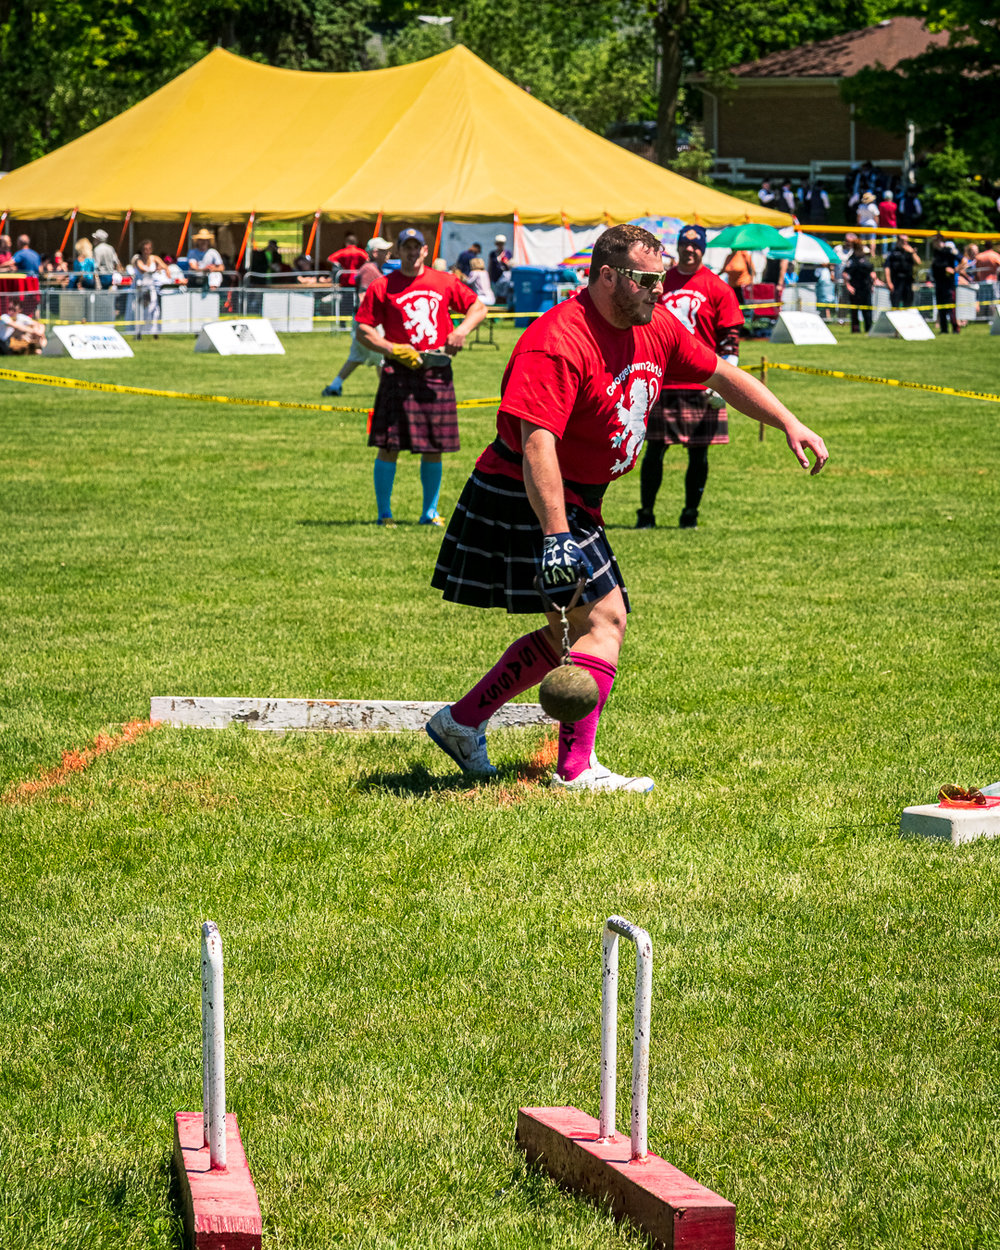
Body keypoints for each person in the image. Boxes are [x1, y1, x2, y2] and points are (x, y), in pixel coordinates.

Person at [424, 224, 827, 792]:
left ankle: (461, 722)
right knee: (604, 621)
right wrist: (556, 535)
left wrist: (789, 421)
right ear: (608, 276)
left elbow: (721, 373)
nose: (658, 291)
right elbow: (537, 443)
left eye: (661, 279)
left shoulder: (654, 324)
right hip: (528, 489)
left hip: (576, 496)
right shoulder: (556, 340)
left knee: (570, 631)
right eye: (645, 280)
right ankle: (574, 768)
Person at [354, 227, 487, 526]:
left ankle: (429, 513)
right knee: (388, 444)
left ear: (425, 250)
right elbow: (363, 328)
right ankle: (384, 514)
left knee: (434, 445)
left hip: (435, 370)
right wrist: (391, 348)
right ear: (397, 251)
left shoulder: (444, 281)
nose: (412, 253)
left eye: (417, 247)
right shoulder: (382, 286)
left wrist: (460, 331)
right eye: (406, 247)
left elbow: (478, 308)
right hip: (397, 372)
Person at [635, 224, 744, 531]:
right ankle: (646, 515)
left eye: (696, 246)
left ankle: (690, 515)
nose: (690, 250)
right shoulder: (659, 283)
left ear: (704, 249)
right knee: (654, 450)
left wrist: (728, 376)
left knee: (699, 453)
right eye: (685, 244)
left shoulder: (717, 287)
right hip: (661, 378)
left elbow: (730, 335)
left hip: (703, 381)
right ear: (678, 246)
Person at [322, 236, 391, 397]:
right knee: (382, 354)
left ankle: (334, 386)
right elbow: (363, 297)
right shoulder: (369, 270)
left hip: (365, 321)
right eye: (384, 251)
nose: (388, 253)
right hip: (369, 322)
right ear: (375, 252)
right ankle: (387, 391)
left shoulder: (375, 269)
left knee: (356, 357)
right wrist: (370, 323)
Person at [130, 238, 165, 338]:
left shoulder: (154, 258)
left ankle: (154, 331)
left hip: (151, 288)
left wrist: (161, 268)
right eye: (145, 249)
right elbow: (142, 269)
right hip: (139, 289)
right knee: (138, 311)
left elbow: (164, 266)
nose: (147, 251)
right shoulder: (137, 259)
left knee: (154, 308)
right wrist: (154, 269)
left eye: (149, 249)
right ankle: (138, 332)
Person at [929, 233, 959, 334]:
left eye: (935, 241)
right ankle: (944, 329)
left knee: (950, 307)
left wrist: (955, 270)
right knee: (941, 307)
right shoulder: (936, 253)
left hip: (948, 284)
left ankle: (955, 328)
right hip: (938, 283)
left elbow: (963, 260)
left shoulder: (949, 250)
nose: (934, 243)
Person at [843, 241, 875, 333]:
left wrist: (873, 281)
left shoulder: (866, 259)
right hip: (855, 288)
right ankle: (855, 330)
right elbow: (845, 273)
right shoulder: (852, 260)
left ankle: (869, 329)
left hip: (866, 287)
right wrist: (848, 285)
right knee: (854, 311)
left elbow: (871, 271)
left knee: (868, 310)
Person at [883, 235, 917, 308]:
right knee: (895, 303)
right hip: (896, 281)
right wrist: (889, 282)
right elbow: (887, 268)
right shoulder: (892, 253)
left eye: (906, 241)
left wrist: (912, 252)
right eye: (902, 241)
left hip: (908, 281)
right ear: (898, 241)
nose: (905, 243)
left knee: (908, 303)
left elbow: (918, 262)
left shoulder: (910, 252)